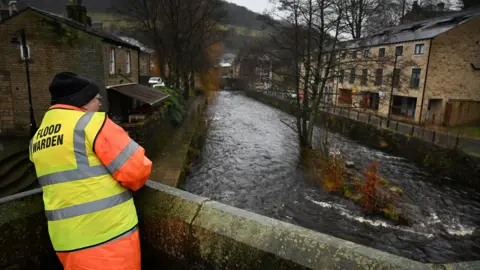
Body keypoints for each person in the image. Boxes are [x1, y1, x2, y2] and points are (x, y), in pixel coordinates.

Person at [29, 72, 152, 270]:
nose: (100, 104)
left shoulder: (38, 138)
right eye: (97, 98)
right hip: (108, 239)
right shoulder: (92, 124)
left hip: (65, 242)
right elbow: (138, 171)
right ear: (83, 102)